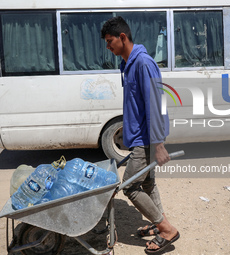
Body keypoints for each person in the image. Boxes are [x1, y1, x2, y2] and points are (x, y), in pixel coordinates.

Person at [101, 16, 179, 254]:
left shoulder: (144, 63)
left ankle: (166, 229)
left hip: (146, 140)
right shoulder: (128, 64)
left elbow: (155, 105)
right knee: (148, 182)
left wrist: (158, 144)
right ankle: (159, 222)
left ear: (122, 37)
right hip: (139, 137)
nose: (108, 47)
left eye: (110, 41)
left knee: (130, 187)